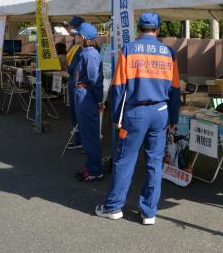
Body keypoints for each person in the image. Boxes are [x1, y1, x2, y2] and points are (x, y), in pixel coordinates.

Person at [96, 12, 180, 225]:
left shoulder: (129, 50)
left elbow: (118, 87)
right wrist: (174, 117)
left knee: (125, 160)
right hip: (160, 112)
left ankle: (114, 207)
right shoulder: (168, 52)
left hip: (135, 113)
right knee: (154, 162)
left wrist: (116, 116)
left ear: (139, 28)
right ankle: (149, 213)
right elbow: (175, 90)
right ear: (158, 29)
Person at [73, 22, 105, 182]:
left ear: (84, 37)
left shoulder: (90, 53)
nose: (75, 36)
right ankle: (91, 167)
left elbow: (95, 79)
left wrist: (99, 99)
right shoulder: (86, 52)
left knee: (90, 135)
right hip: (84, 94)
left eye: (77, 34)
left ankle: (94, 170)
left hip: (86, 96)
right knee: (87, 134)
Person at [65, 16, 85, 150]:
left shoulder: (85, 46)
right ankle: (78, 139)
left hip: (80, 83)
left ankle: (83, 141)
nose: (70, 29)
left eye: (72, 27)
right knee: (74, 113)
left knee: (81, 114)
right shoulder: (74, 43)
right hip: (73, 81)